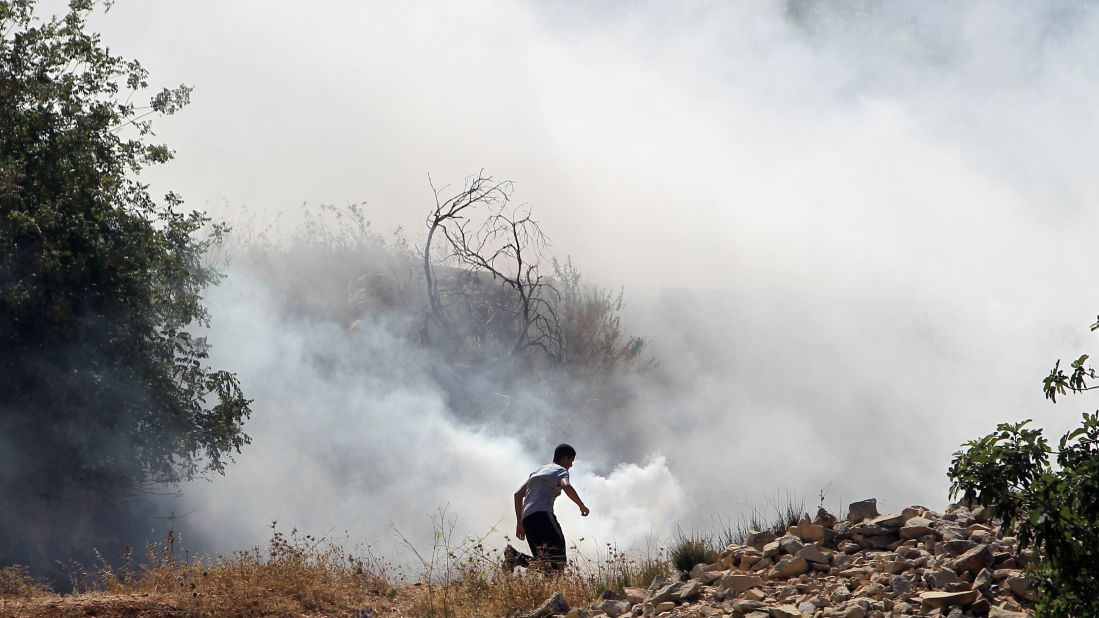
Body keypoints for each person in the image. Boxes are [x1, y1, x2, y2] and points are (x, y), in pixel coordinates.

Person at [504, 443, 589, 573]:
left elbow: (518, 495)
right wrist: (581, 505)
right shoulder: (560, 471)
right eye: (571, 461)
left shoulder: (538, 472)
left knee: (544, 563)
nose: (571, 465)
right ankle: (516, 558)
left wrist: (519, 523)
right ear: (565, 458)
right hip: (543, 516)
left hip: (527, 520)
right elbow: (565, 485)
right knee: (558, 560)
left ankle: (516, 558)